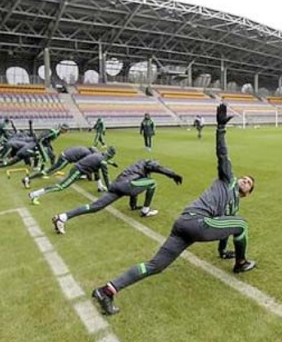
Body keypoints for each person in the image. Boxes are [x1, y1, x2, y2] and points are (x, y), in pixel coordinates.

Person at [91, 103, 256, 316]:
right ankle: (240, 264)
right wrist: (220, 128)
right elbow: (222, 154)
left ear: (248, 193)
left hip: (185, 225)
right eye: (244, 178)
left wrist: (223, 251)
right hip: (196, 221)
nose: (244, 181)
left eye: (248, 183)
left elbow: (224, 228)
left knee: (155, 266)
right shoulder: (228, 180)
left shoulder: (232, 206)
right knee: (242, 224)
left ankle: (107, 290)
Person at [51, 159, 183, 234]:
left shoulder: (135, 170)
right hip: (126, 186)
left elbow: (134, 191)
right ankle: (145, 211)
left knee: (95, 206)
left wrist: (133, 206)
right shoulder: (146, 164)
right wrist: (172, 174)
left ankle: (62, 217)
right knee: (153, 183)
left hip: (116, 185)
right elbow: (152, 171)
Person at [28, 146, 117, 205]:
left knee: (61, 186)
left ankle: (35, 193)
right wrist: (110, 190)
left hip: (77, 168)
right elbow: (106, 176)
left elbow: (102, 161)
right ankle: (35, 194)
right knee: (61, 186)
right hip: (78, 171)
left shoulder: (99, 155)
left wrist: (111, 163)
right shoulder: (103, 162)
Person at [22, 145, 98, 188]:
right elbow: (85, 165)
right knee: (49, 172)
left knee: (50, 171)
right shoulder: (87, 153)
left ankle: (28, 178)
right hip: (65, 158)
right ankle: (27, 179)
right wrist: (90, 177)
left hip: (64, 154)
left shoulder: (84, 149)